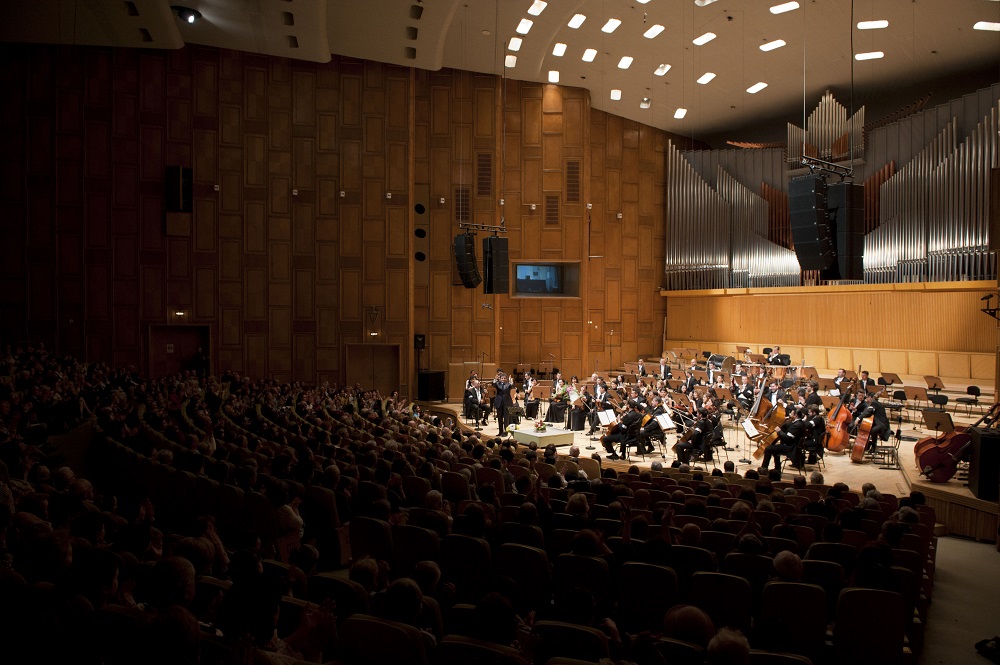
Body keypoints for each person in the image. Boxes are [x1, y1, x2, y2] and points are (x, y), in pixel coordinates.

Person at [761, 408, 805, 472]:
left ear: (796, 416)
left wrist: (779, 432)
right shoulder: (801, 423)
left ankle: (764, 469)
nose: (789, 415)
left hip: (790, 448)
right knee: (775, 448)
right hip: (793, 445)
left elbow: (788, 439)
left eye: (791, 414)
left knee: (768, 448)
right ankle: (777, 468)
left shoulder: (796, 426)